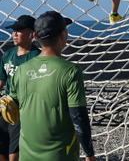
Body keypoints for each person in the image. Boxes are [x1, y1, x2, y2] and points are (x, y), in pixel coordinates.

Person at [5, 11, 95, 161]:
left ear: (35, 36)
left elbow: (12, 113)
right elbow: (78, 117)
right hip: (60, 155)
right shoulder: (70, 70)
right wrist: (89, 154)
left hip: (26, 155)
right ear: (63, 35)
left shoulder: (21, 70)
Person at [0, 16, 39, 161]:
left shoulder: (36, 57)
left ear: (32, 33)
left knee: (15, 149)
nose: (14, 34)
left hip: (24, 111)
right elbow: (2, 80)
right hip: (6, 107)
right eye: (13, 31)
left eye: (19, 30)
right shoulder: (9, 55)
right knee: (1, 145)